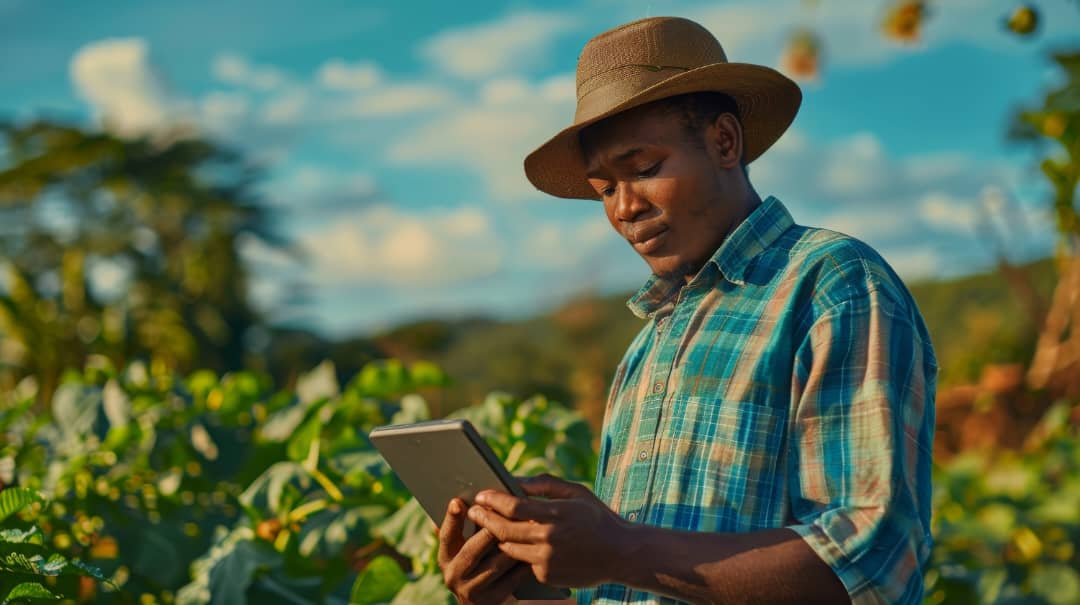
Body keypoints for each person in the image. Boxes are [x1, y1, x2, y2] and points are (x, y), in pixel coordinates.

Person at [436, 16, 937, 605]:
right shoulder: (647, 347)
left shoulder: (831, 284)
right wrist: (520, 588)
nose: (625, 208)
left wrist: (620, 547)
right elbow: (638, 583)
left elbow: (872, 563)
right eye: (603, 189)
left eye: (644, 169)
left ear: (725, 142)